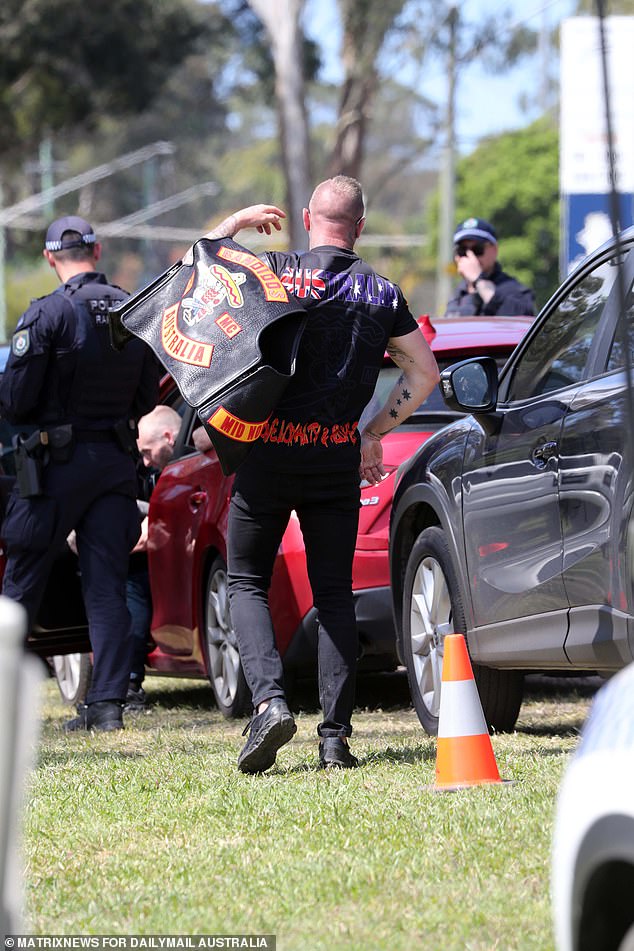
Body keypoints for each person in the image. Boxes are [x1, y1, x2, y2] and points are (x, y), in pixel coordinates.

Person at [195, 179, 440, 772]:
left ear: (308, 219)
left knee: (247, 578)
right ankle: (335, 739)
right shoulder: (382, 293)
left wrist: (235, 223)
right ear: (359, 226)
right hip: (334, 455)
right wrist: (374, 432)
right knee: (333, 593)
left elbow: (196, 270)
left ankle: (271, 703)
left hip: (267, 453)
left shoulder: (275, 272)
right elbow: (424, 372)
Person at [0, 215, 161, 732]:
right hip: (115, 465)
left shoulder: (47, 315)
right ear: (98, 250)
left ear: (51, 258)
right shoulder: (133, 312)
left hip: (56, 468)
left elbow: (17, 401)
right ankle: (106, 706)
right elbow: (143, 399)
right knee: (107, 585)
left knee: (22, 577)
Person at [444, 216, 535, 317]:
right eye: (462, 250)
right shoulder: (457, 294)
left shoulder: (514, 290)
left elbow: (525, 321)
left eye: (477, 249)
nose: (471, 257)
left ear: (494, 250)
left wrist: (479, 281)